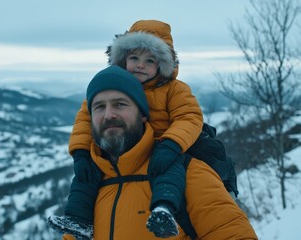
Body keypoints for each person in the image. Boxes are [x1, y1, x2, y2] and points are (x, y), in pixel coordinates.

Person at [48, 65, 258, 240]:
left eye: (120, 104)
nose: (109, 114)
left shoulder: (190, 173)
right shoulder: (90, 187)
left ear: (143, 116)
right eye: (99, 107)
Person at [65, 19, 204, 237]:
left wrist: (172, 144)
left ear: (162, 64)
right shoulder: (112, 86)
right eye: (134, 58)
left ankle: (163, 210)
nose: (140, 65)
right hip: (121, 152)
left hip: (162, 146)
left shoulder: (173, 89)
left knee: (170, 172)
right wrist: (81, 152)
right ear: (123, 59)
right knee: (86, 175)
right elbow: (85, 118)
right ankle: (77, 219)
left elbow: (189, 117)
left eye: (149, 60)